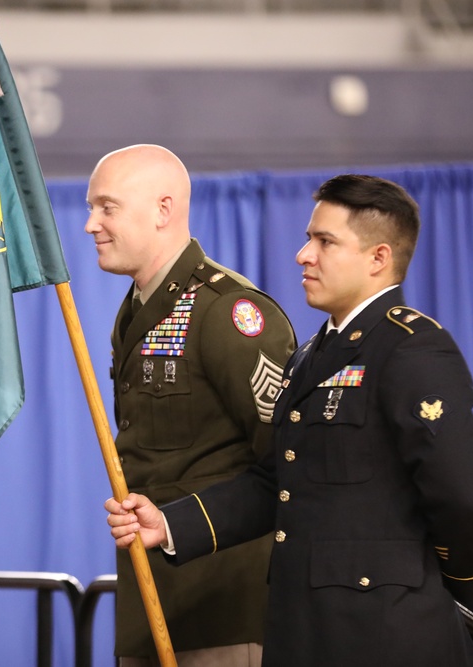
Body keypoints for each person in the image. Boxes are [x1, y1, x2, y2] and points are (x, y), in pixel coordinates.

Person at [106, 174, 473, 666]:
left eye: (325, 241)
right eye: (310, 238)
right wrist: (168, 522)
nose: (303, 254)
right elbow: (278, 483)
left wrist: (442, 583)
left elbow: (460, 498)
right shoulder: (310, 357)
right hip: (303, 628)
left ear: (378, 258)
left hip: (385, 630)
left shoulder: (411, 347)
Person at [85, 144, 297, 666]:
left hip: (221, 608)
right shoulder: (136, 311)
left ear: (163, 209)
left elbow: (290, 466)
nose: (91, 223)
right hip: (151, 599)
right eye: (93, 207)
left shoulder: (228, 312)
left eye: (107, 207)